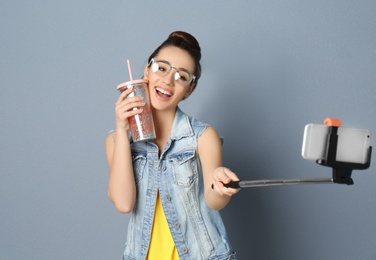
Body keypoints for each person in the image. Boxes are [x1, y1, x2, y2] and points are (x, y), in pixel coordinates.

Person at [105, 31, 240, 260]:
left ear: (189, 89)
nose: (168, 80)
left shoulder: (204, 136)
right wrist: (121, 129)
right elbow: (123, 203)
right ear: (147, 70)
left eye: (182, 76)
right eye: (162, 68)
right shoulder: (117, 141)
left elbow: (214, 200)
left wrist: (220, 184)